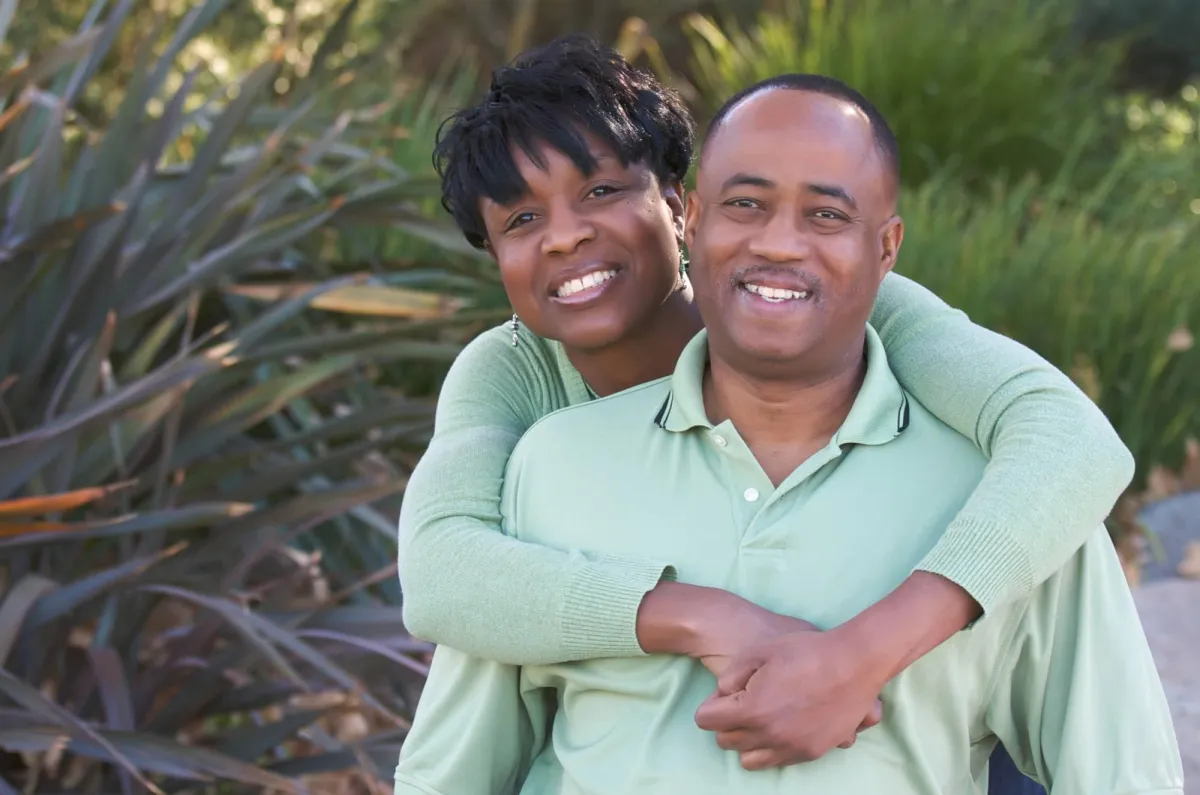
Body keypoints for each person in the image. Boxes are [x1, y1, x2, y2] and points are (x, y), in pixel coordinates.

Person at [394, 72, 1183, 795]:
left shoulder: (852, 306)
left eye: (601, 191)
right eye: (522, 218)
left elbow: (1070, 439)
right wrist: (702, 616)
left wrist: (859, 656)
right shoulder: (529, 418)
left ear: (675, 206)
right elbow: (444, 574)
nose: (566, 236)